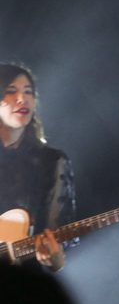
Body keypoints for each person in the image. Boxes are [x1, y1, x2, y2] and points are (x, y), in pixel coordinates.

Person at [0, 63, 74, 271]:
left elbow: (54, 233)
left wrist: (57, 261)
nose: (22, 99)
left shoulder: (52, 161)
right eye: (11, 91)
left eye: (28, 92)